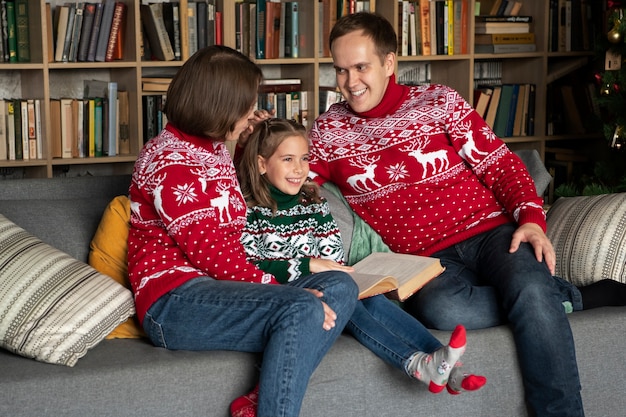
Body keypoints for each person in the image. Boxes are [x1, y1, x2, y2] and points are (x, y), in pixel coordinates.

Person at [307, 12, 626, 417]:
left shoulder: (437, 101)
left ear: (389, 63)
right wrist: (257, 149)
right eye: (340, 70)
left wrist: (530, 219)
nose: (351, 82)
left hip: (490, 232)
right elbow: (297, 186)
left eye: (361, 67)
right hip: (427, 262)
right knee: (443, 311)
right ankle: (566, 296)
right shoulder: (328, 131)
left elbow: (500, 164)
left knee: (529, 287)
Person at [126, 45, 359, 417]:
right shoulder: (169, 162)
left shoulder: (213, 148)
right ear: (220, 104)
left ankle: (256, 401)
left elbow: (225, 204)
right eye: (247, 104)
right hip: (173, 302)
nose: (253, 111)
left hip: (219, 287)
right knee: (303, 307)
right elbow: (213, 255)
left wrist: (250, 148)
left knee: (341, 286)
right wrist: (287, 292)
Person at [234, 118, 487, 416]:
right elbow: (246, 264)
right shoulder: (247, 210)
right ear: (262, 164)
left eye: (304, 159)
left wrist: (330, 267)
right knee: (348, 297)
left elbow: (332, 254)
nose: (299, 169)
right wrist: (306, 264)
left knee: (367, 296)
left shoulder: (314, 202)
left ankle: (445, 365)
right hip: (284, 296)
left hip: (329, 290)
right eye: (287, 160)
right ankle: (420, 363)